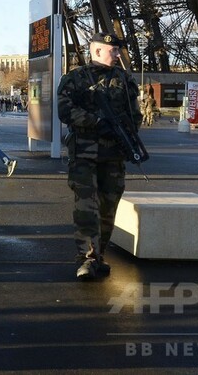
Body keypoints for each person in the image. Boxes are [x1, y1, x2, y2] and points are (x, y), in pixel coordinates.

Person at [57, 31, 142, 281]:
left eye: (118, 50)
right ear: (96, 50)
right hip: (84, 152)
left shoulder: (124, 80)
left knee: (108, 207)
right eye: (113, 50)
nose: (117, 55)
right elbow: (64, 110)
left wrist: (126, 136)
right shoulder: (75, 78)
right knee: (86, 206)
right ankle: (87, 258)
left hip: (114, 154)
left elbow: (135, 115)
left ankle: (98, 255)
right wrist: (95, 122)